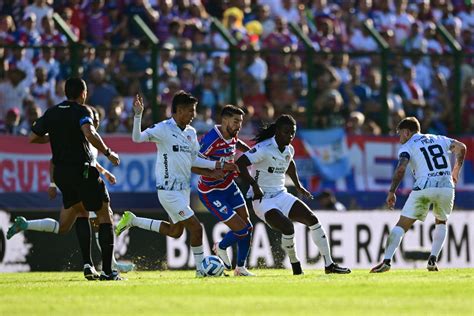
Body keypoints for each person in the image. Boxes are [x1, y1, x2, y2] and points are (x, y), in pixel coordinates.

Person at [7, 78, 122, 281]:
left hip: (61, 174)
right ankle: (108, 272)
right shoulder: (82, 111)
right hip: (82, 170)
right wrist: (108, 152)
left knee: (80, 213)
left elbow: (33, 138)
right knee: (105, 214)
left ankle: (88, 265)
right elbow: (89, 133)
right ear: (83, 93)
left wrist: (55, 136)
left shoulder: (52, 112)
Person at [115, 92, 239, 277]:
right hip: (168, 191)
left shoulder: (191, 132)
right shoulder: (163, 129)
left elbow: (195, 159)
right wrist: (138, 114)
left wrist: (219, 165)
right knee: (197, 228)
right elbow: (137, 138)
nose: (193, 115)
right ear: (179, 110)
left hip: (183, 191)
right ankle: (200, 270)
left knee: (175, 232)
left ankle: (133, 220)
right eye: (190, 111)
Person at [236, 114, 351, 275]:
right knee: (288, 227)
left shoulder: (289, 149)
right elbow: (240, 163)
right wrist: (254, 186)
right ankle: (296, 267)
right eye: (286, 132)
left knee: (313, 219)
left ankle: (330, 265)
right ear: (277, 131)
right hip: (263, 200)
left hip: (281, 195)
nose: (290, 136)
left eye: (292, 133)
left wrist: (298, 186)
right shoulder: (264, 148)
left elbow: (289, 163)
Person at [371, 117, 467, 273]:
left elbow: (401, 169)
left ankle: (386, 261)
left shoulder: (408, 146)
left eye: (400, 134)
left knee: (401, 225)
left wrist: (392, 191)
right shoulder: (438, 138)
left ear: (407, 132)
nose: (399, 138)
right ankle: (432, 260)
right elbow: (461, 147)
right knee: (441, 222)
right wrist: (455, 171)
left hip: (424, 185)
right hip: (446, 185)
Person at [47, 106, 135, 273]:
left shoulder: (89, 138)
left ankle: (92, 264)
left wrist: (106, 172)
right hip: (84, 180)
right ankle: (108, 268)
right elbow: (54, 160)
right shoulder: (85, 135)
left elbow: (92, 161)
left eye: (97, 119)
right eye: (93, 118)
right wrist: (52, 184)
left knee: (86, 218)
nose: (96, 121)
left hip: (77, 179)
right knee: (99, 217)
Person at [196, 105, 254, 276]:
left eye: (241, 122)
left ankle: (241, 268)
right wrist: (212, 173)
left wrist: (250, 152)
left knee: (248, 227)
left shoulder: (232, 134)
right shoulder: (210, 140)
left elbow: (236, 143)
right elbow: (192, 165)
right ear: (224, 120)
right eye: (236, 122)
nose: (239, 126)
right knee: (241, 230)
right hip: (211, 192)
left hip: (229, 185)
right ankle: (221, 247)